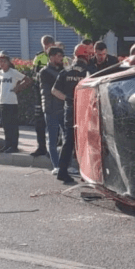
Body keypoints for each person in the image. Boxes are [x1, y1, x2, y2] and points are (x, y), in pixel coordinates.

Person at [52, 44, 90, 185]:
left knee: (68, 141)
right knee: (86, 142)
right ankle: (86, 174)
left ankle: (62, 171)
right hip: (85, 110)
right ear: (87, 56)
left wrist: (68, 98)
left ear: (75, 55)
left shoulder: (65, 71)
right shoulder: (88, 71)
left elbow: (54, 91)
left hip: (70, 109)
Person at [0, 51, 32, 153]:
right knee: (6, 125)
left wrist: (18, 88)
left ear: (8, 62)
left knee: (13, 126)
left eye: (4, 61)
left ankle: (14, 146)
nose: (2, 64)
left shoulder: (13, 72)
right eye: (0, 62)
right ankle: (8, 145)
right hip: (3, 101)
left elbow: (27, 80)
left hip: (12, 102)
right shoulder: (0, 73)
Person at [39, 46, 66, 175]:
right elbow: (53, 89)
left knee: (67, 138)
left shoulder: (62, 70)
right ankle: (56, 166)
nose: (61, 58)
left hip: (63, 108)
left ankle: (64, 164)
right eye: (58, 56)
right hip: (51, 109)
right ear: (51, 57)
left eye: (62, 56)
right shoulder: (44, 72)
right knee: (53, 138)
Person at [30, 35, 56, 157]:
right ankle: (41, 147)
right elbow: (34, 75)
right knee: (39, 122)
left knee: (54, 123)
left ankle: (54, 149)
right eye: (45, 46)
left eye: (49, 45)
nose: (47, 48)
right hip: (40, 93)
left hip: (55, 94)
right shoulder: (39, 57)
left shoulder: (59, 56)